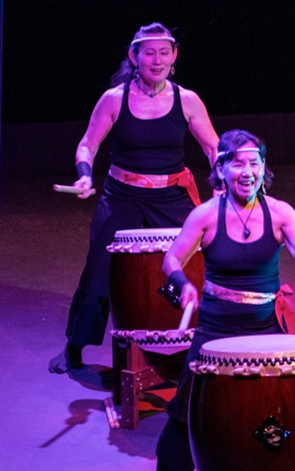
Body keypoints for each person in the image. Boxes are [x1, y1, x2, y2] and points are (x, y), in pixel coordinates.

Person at [155, 129, 295, 470]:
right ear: (221, 169)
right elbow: (171, 259)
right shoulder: (204, 216)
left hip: (266, 327)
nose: (247, 172)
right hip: (216, 328)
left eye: (255, 163)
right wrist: (183, 283)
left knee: (276, 408)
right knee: (187, 412)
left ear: (264, 168)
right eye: (238, 164)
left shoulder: (280, 213)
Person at [49, 23, 220, 373]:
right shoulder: (115, 98)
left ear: (174, 57)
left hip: (171, 196)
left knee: (192, 265)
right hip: (122, 195)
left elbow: (214, 147)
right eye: (149, 52)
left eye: (164, 52)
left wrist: (223, 184)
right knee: (99, 272)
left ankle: (196, 344)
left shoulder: (187, 100)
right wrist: (84, 173)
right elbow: (88, 144)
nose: (157, 60)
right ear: (134, 56)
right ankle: (74, 348)